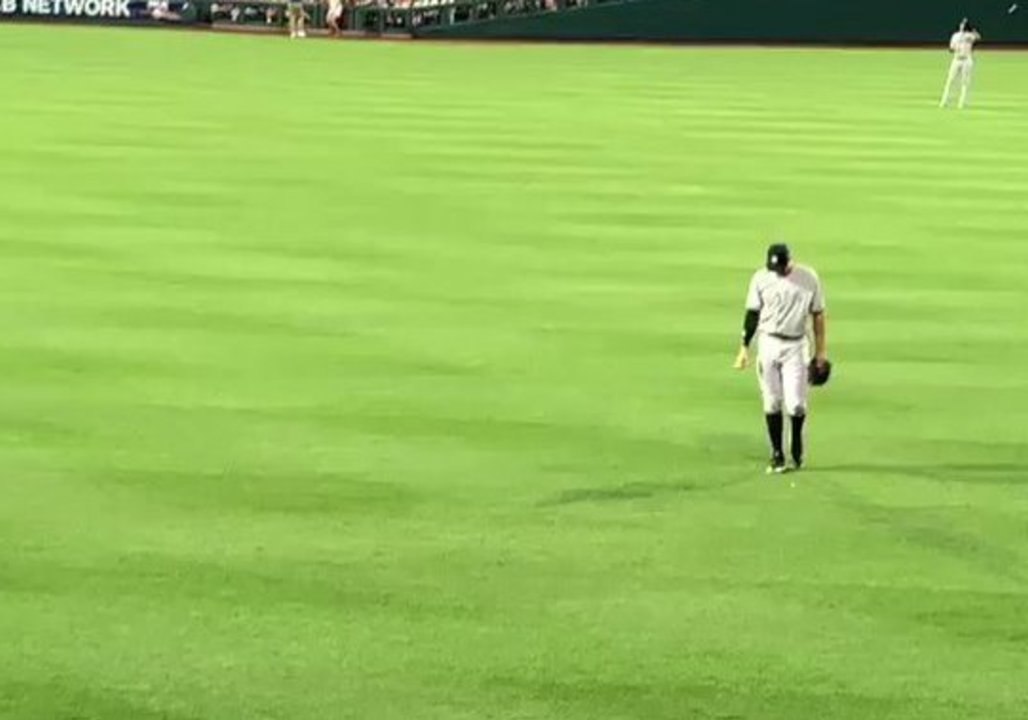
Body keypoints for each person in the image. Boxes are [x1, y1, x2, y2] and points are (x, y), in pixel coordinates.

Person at [734, 243, 828, 474]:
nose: (778, 271)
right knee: (772, 401)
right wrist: (744, 348)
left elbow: (818, 315)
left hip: (796, 345)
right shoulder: (760, 278)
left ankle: (795, 443)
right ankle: (777, 453)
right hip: (768, 342)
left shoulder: (808, 278)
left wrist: (821, 353)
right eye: (774, 267)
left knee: (796, 404)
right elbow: (752, 314)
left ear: (790, 261)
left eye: (782, 267)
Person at [940, 18, 981, 109]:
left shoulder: (969, 36)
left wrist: (972, 30)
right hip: (956, 59)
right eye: (961, 24)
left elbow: (978, 37)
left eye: (964, 25)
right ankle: (944, 101)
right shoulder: (955, 35)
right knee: (950, 81)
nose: (962, 26)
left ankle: (961, 103)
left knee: (965, 82)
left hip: (966, 60)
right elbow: (951, 48)